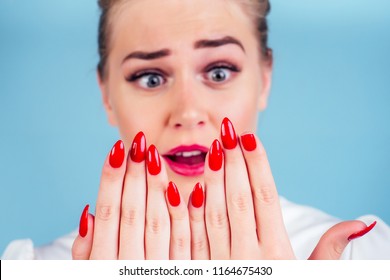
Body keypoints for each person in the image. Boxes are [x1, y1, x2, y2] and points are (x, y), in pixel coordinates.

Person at [2, 0, 390, 260]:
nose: (188, 112)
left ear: (265, 79)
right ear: (106, 95)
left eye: (219, 72)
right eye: (150, 78)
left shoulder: (360, 255)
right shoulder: (30, 266)